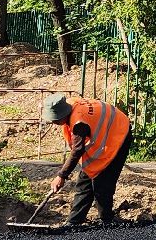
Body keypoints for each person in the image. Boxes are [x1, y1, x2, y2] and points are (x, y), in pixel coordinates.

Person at [44, 94, 131, 227]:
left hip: (118, 134)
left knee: (103, 181)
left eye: (55, 120)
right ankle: (74, 221)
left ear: (62, 115)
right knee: (85, 181)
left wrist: (61, 175)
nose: (53, 123)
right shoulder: (69, 104)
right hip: (106, 134)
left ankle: (107, 221)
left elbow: (77, 151)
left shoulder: (79, 122)